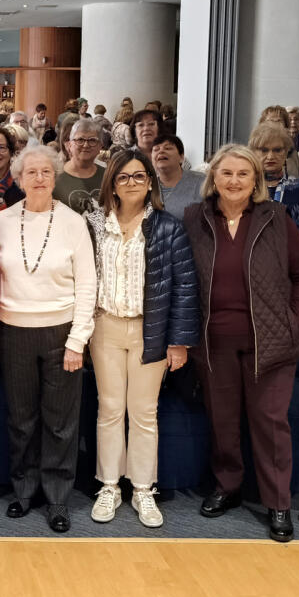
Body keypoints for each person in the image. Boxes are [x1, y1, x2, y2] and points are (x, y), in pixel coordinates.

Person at [182, 144, 299, 542]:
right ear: (213, 178)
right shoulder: (195, 218)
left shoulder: (276, 217)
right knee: (222, 419)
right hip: (214, 340)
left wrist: (294, 320)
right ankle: (228, 486)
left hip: (271, 341)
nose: (234, 181)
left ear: (255, 179)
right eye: (227, 173)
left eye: (243, 173)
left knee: (271, 423)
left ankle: (278, 503)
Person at [0, 144, 96, 533]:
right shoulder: (1, 221)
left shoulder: (72, 222)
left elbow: (87, 284)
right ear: (17, 178)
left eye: (46, 172)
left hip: (61, 331)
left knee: (61, 421)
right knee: (20, 418)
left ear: (55, 177)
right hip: (12, 330)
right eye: (31, 172)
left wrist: (78, 339)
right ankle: (24, 489)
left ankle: (58, 496)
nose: (39, 178)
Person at [84, 149, 199, 528]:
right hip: (106, 327)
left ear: (150, 181)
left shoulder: (168, 227)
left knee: (145, 413)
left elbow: (185, 287)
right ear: (112, 184)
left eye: (138, 176)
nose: (131, 183)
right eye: (123, 177)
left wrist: (178, 341)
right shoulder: (96, 223)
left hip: (151, 329)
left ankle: (144, 490)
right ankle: (109, 485)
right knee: (110, 409)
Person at [250, 122, 299, 231]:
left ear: (286, 152)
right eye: (264, 150)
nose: (270, 156)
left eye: (277, 150)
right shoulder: (246, 187)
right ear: (254, 152)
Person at [54, 119, 104, 214]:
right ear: (69, 145)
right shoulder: (54, 177)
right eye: (80, 140)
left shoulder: (107, 176)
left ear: (100, 146)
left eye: (92, 140)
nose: (86, 145)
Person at [150, 134, 204, 220]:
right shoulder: (146, 186)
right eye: (156, 149)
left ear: (181, 157)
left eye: (168, 148)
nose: (161, 151)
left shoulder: (201, 182)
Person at [258, 105, 299, 178]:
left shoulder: (292, 152)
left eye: (279, 121)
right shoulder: (255, 150)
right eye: (271, 121)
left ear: (286, 126)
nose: (275, 125)